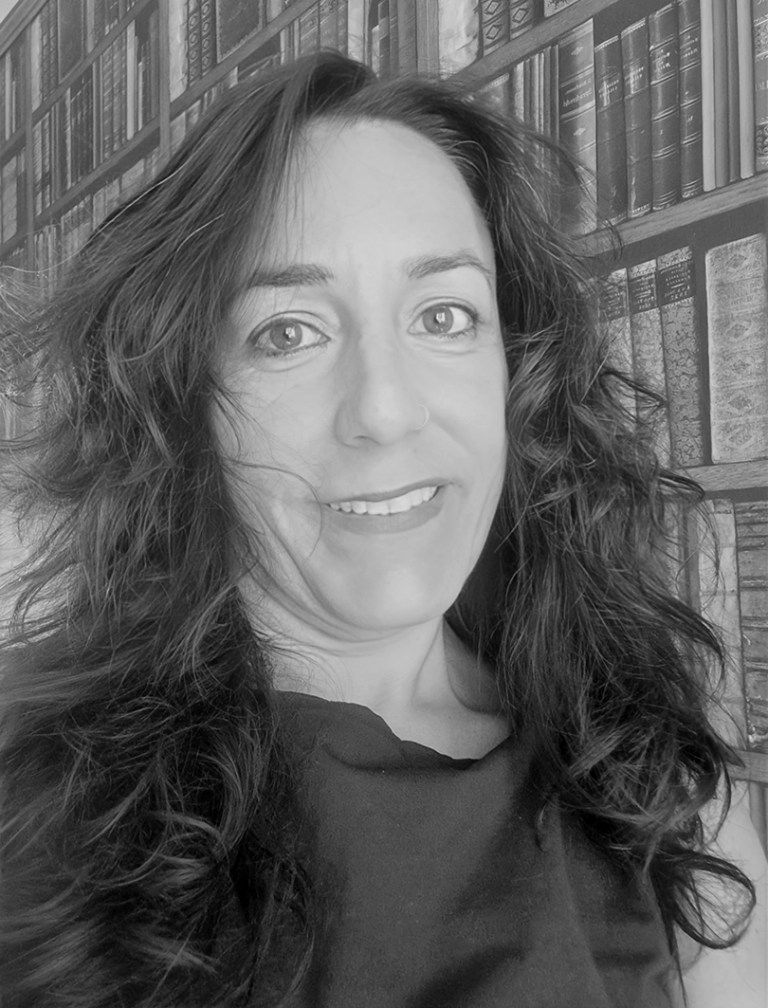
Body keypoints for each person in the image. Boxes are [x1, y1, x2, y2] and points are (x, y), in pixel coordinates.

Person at [0, 51, 764, 1008]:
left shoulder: (656, 769)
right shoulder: (35, 803)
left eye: (444, 315)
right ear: (183, 402)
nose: (387, 409)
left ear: (516, 372)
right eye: (288, 333)